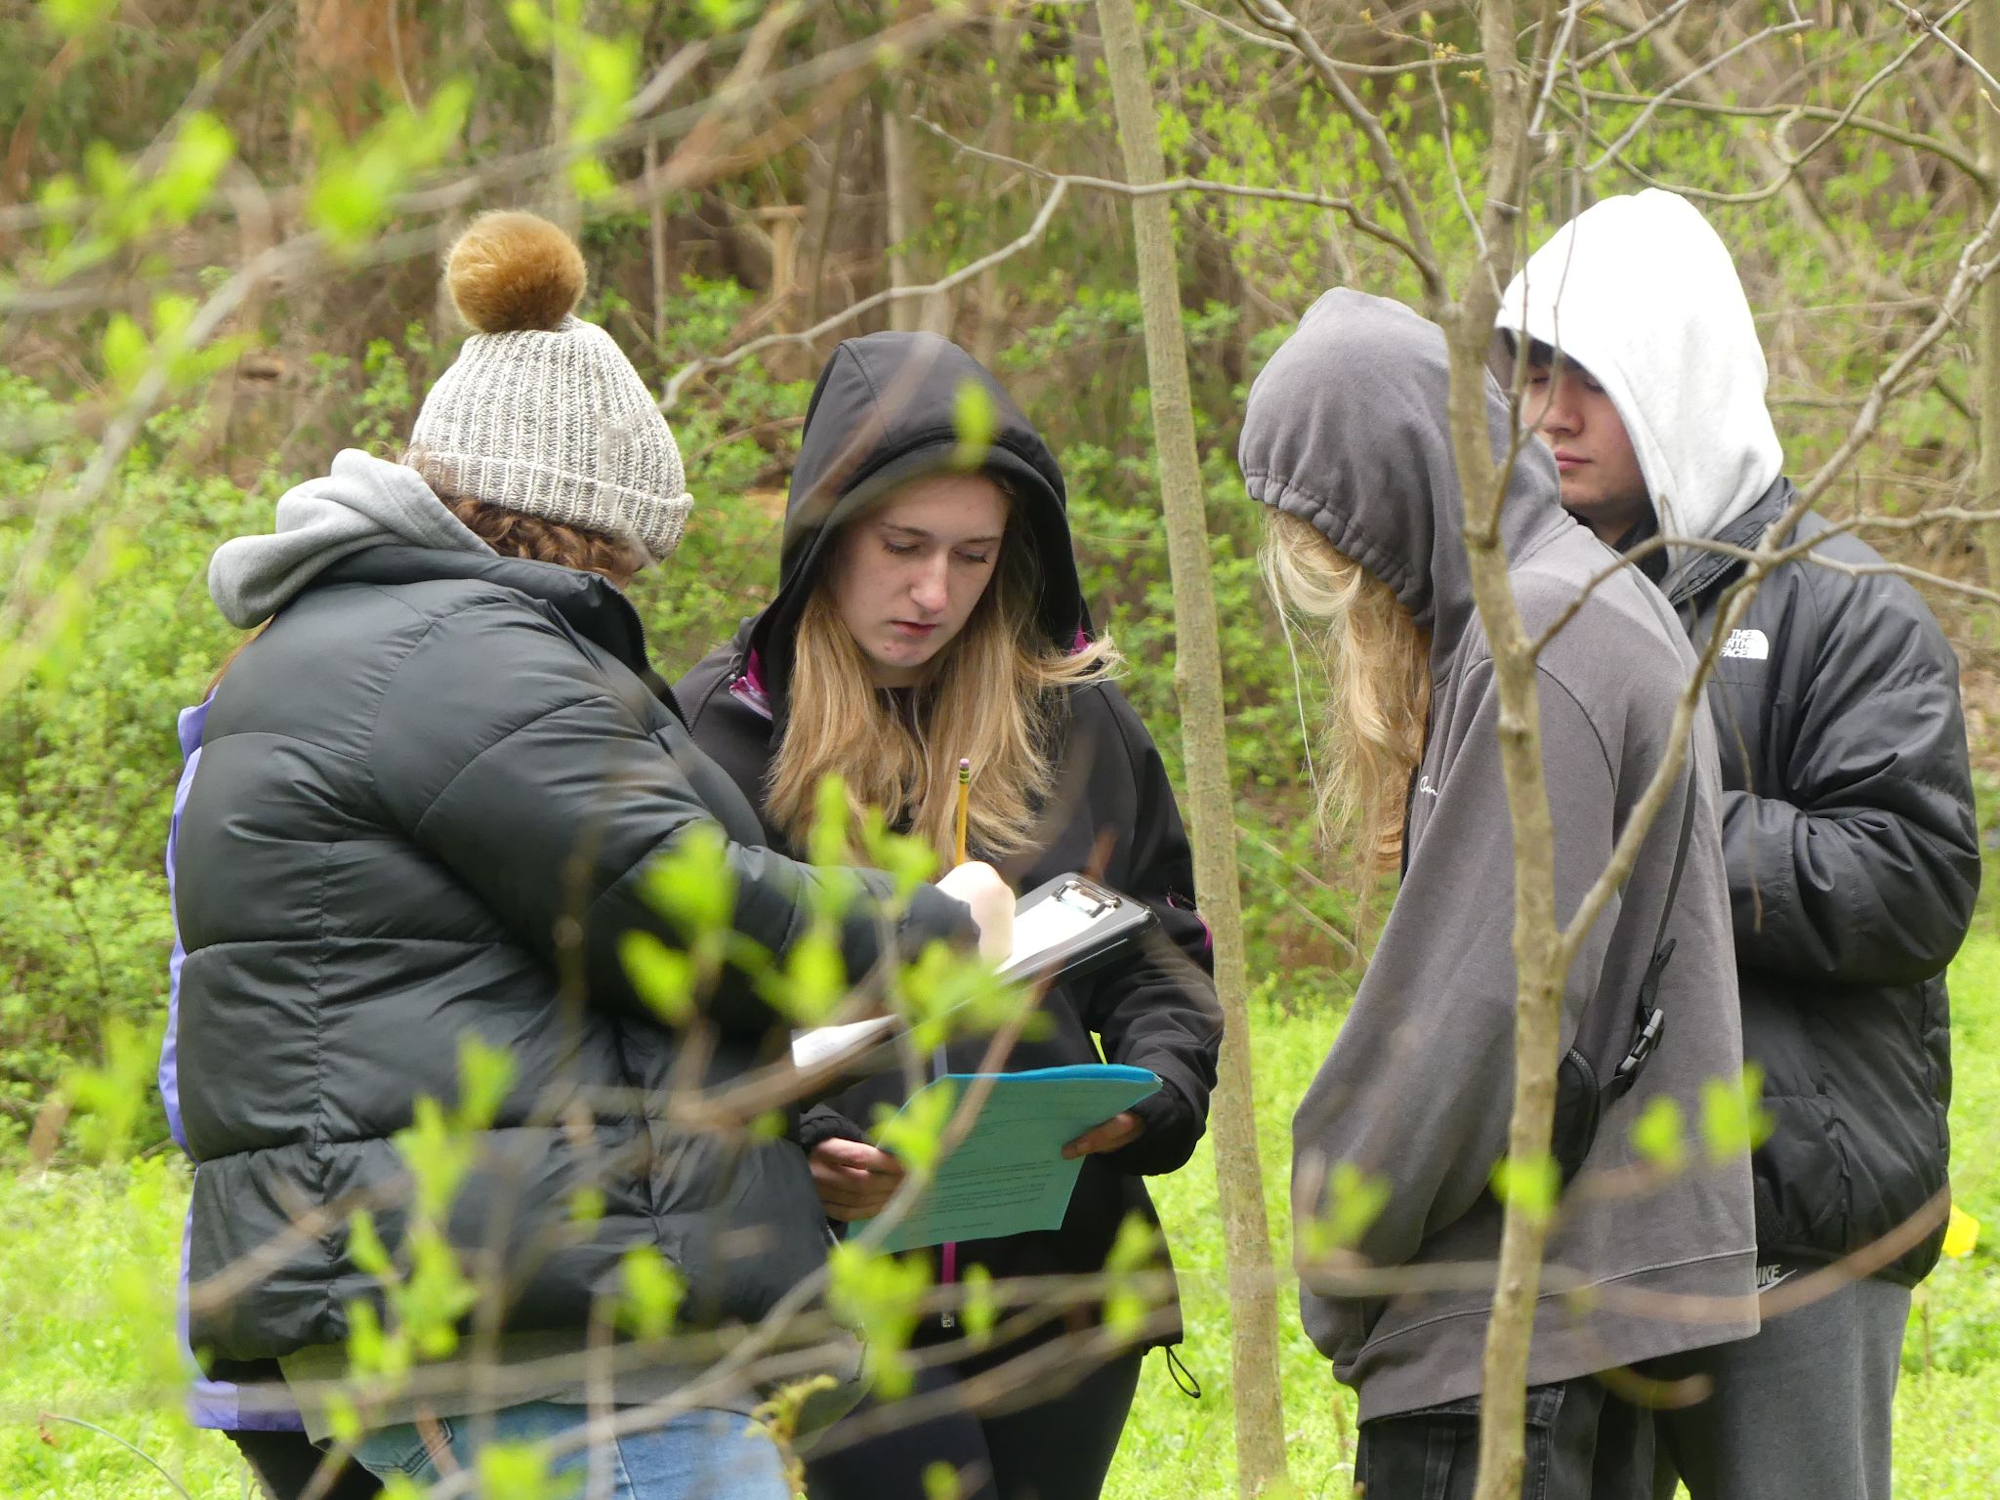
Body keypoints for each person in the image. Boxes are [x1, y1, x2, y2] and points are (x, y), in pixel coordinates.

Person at [165, 212, 1016, 1500]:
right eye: (621, 556)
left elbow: (545, 984)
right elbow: (685, 911)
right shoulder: (466, 659)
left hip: (490, 1304)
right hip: (543, 1354)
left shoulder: (362, 642)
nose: (627, 586)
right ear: (573, 524)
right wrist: (947, 929)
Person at [674, 330, 1224, 1500]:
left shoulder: (1074, 727)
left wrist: (1153, 1094)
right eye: (903, 546)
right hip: (830, 1287)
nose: (934, 591)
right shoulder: (721, 737)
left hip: (1060, 1286)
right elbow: (673, 1008)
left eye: (973, 557)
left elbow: (1160, 955)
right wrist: (800, 1137)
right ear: (826, 534)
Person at [1497, 188, 1982, 1500]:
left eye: (1587, 376)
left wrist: (1665, 837)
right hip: (1588, 1225)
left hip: (1800, 1230)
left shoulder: (1847, 612)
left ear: (1677, 376)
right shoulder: (1527, 612)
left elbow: (1913, 883)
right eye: (1531, 371)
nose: (1550, 412)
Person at [1241, 289, 1760, 1498]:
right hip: (1572, 1312)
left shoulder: (1543, 638)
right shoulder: (1561, 600)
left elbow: (1475, 1020)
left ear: (1378, 496)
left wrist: (1339, 1241)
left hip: (1510, 1331)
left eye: (1322, 538)